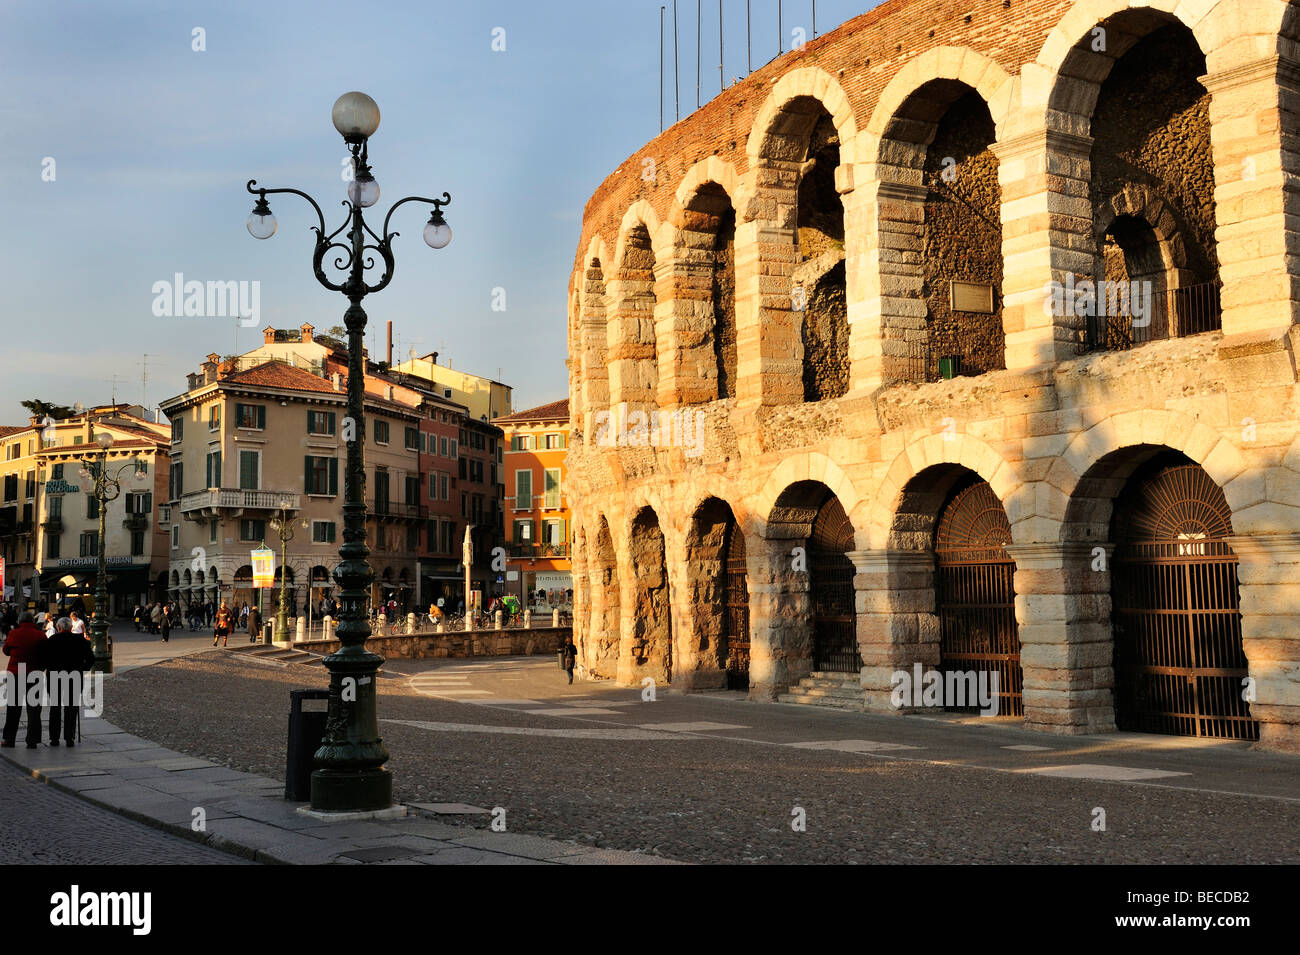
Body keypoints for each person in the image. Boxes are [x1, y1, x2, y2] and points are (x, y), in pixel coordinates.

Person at [40, 616, 93, 747]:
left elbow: (43, 659)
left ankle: (54, 738)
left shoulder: (52, 640)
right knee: (71, 708)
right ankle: (70, 738)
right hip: (74, 677)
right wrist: (83, 669)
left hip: (54, 677)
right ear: (70, 627)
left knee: (55, 707)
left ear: (58, 628)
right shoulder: (80, 640)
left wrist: (46, 668)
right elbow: (91, 659)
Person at [2, 611, 47, 748]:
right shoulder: (40, 635)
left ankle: (9, 739)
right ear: (32, 621)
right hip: (34, 673)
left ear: (19, 621)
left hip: (16, 673)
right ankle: (32, 740)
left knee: (13, 708)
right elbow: (46, 652)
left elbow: (5, 650)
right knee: (34, 709)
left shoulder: (14, 633)